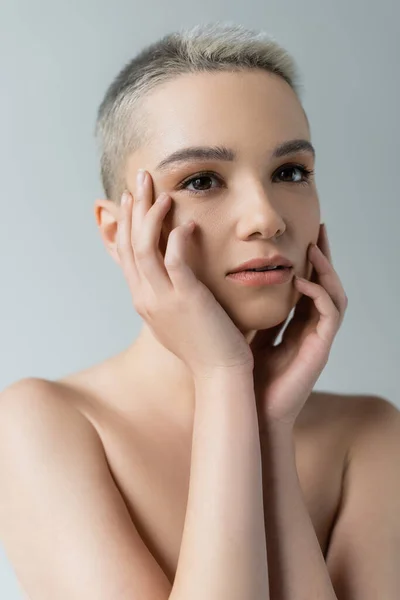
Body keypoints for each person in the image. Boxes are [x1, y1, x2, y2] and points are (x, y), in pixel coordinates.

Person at [1, 21, 399, 600]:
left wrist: (267, 428)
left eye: (290, 171)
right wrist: (221, 377)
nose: (266, 218)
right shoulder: (43, 424)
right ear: (118, 233)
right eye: (203, 179)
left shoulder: (371, 436)